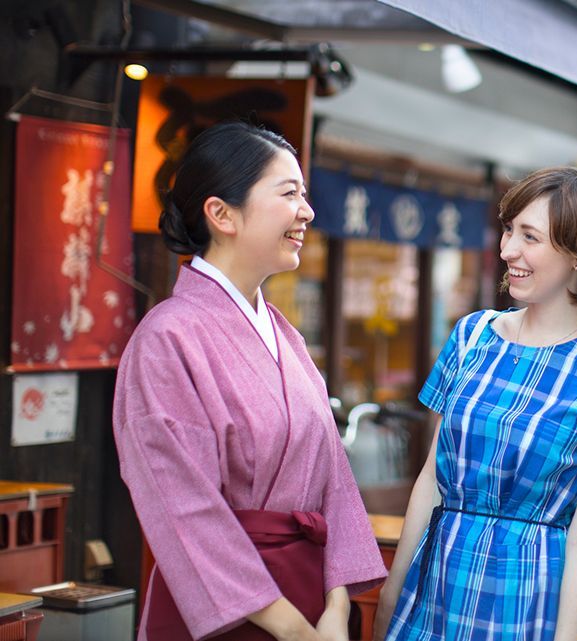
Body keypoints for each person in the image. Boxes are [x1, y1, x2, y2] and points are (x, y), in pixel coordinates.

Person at [113, 122, 386, 641]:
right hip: (228, 612)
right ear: (221, 214)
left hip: (311, 603)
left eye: (304, 195)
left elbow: (334, 482)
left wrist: (332, 609)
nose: (307, 212)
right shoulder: (166, 339)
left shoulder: (286, 335)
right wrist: (292, 628)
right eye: (289, 194)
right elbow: (183, 507)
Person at [374, 167, 577, 641]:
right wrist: (389, 599)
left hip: (530, 607)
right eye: (508, 230)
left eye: (530, 236)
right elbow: (431, 481)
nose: (508, 250)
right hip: (435, 594)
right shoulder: (471, 337)